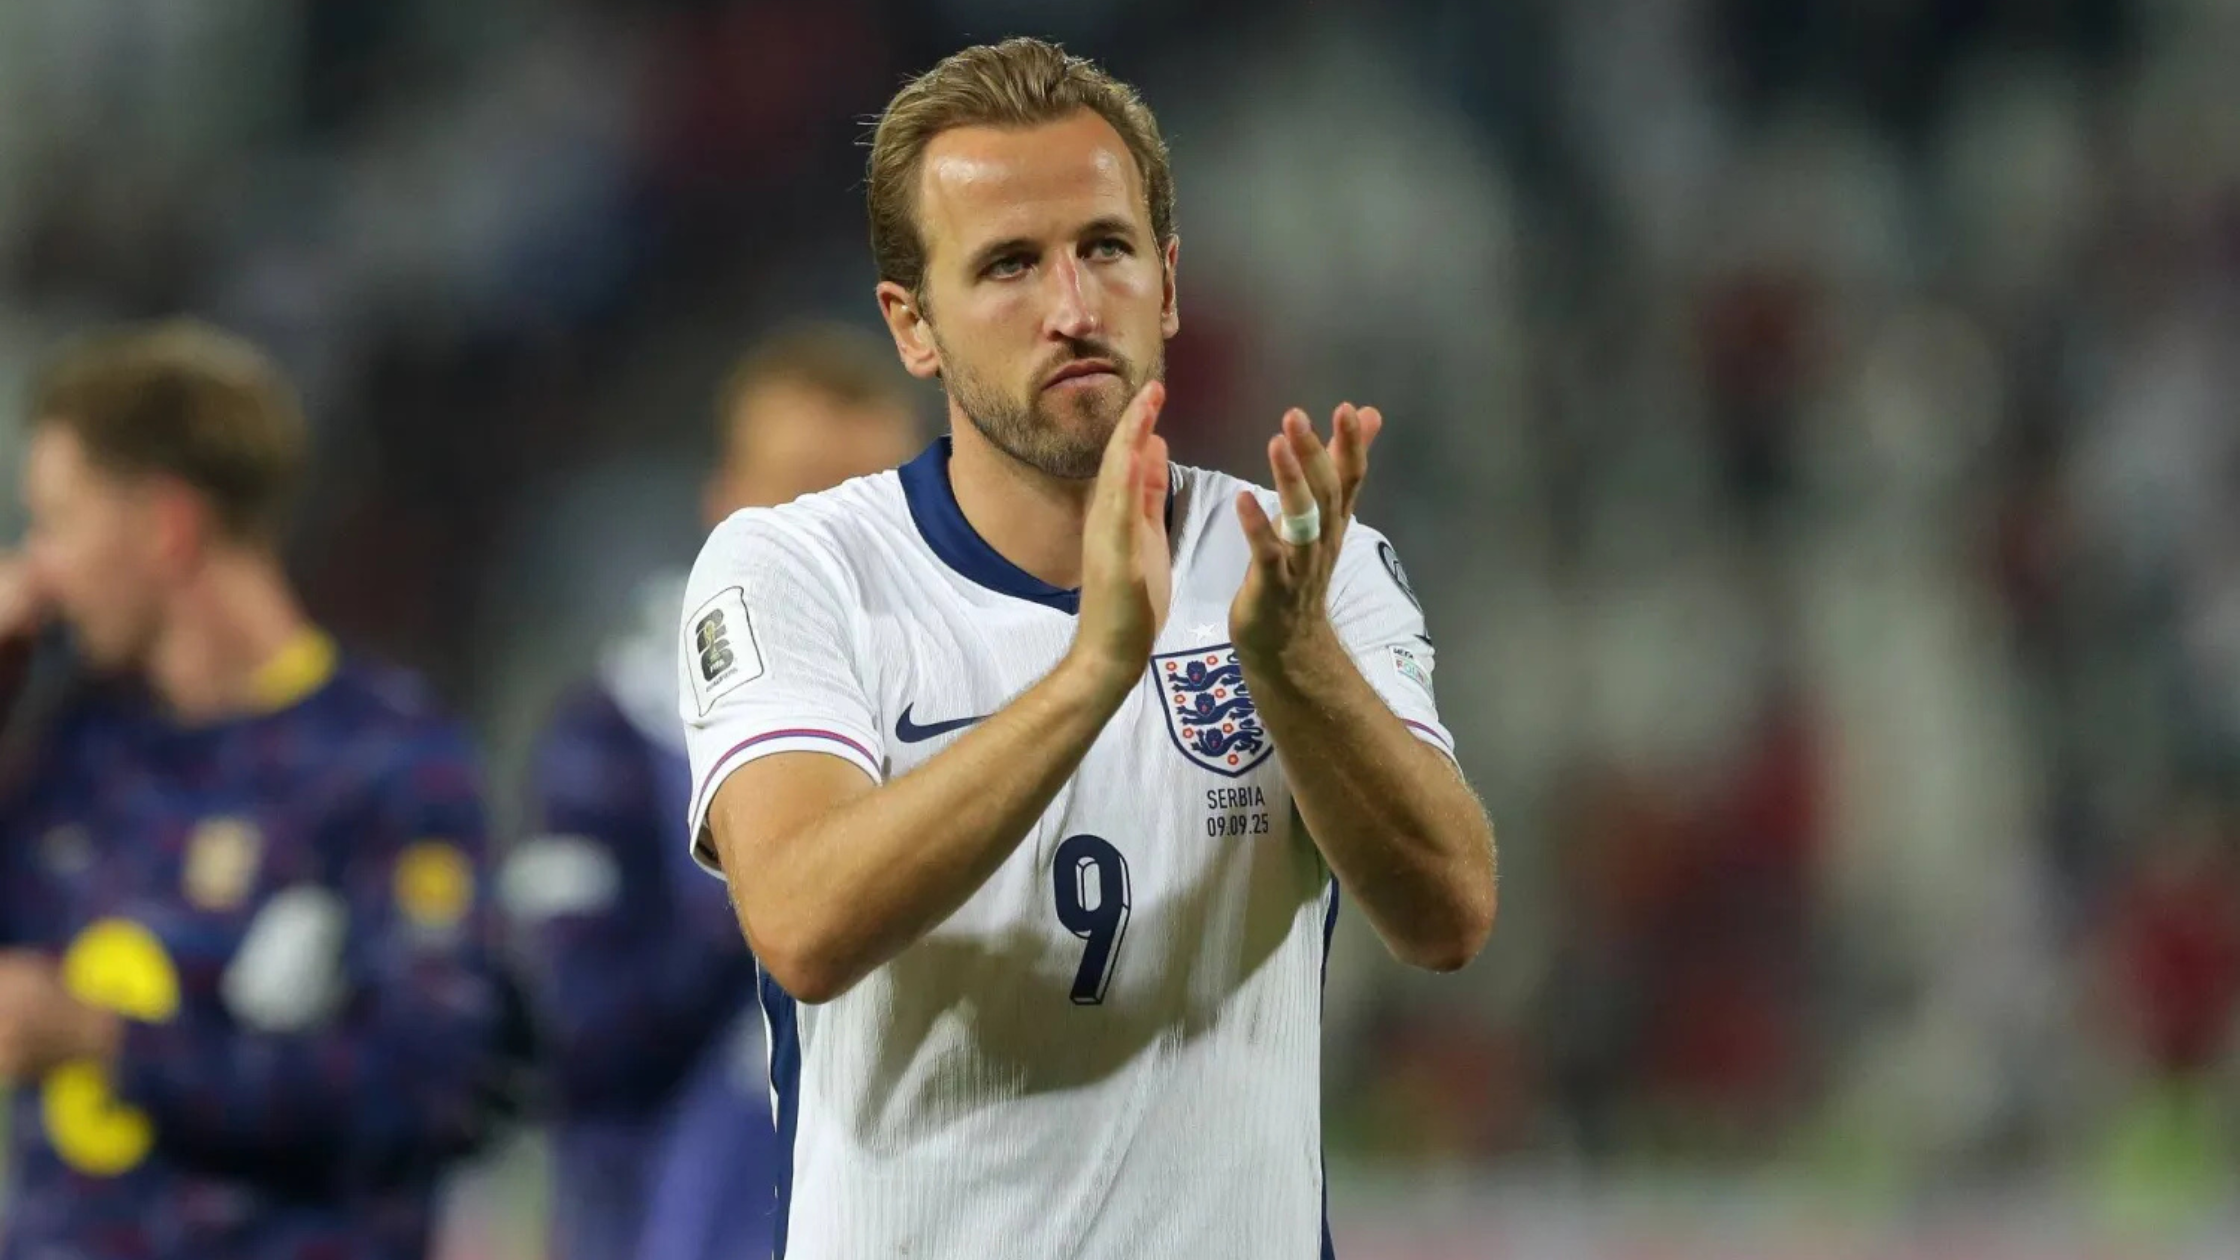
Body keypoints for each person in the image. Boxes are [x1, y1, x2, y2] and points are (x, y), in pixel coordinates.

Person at [676, 37, 1498, 1260]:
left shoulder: (1301, 563)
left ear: (1166, 284)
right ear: (913, 326)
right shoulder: (799, 570)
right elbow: (800, 922)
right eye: (1007, 265)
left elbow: (1448, 917)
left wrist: (1295, 670)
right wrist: (1091, 672)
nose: (1070, 308)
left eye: (1103, 249)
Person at [0, 321, 509, 1260]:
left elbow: (431, 1094)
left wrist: (105, 1042)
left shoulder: (386, 760)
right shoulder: (72, 749)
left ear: (165, 526)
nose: (38, 570)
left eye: (56, 523)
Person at [501, 324, 922, 1260]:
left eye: (874, 502)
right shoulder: (623, 730)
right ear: (724, 506)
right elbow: (571, 1032)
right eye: (799, 491)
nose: (836, 537)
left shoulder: (969, 733)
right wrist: (785, 879)